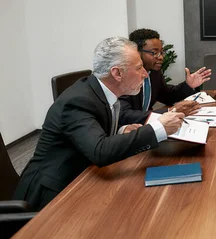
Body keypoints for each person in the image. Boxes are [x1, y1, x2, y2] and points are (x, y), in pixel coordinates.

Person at [13, 37, 185, 211]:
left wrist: (121, 130)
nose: (145, 74)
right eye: (139, 68)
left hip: (85, 177)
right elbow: (100, 151)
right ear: (117, 73)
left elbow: (91, 132)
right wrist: (158, 129)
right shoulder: (77, 101)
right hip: (52, 196)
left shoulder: (101, 92)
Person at [119, 28, 212, 125]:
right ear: (137, 52)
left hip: (147, 127)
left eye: (161, 52)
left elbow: (167, 96)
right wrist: (169, 112)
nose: (160, 57)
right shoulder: (125, 76)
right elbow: (124, 115)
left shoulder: (154, 72)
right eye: (154, 52)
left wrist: (188, 85)